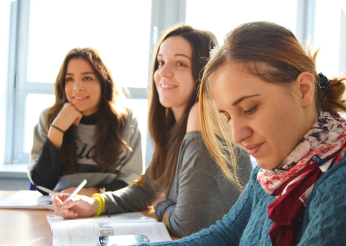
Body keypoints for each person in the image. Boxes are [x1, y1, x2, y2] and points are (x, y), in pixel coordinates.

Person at [134, 21, 346, 245]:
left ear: (303, 89)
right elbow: (226, 234)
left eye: (249, 109)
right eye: (227, 116)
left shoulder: (337, 185)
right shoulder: (271, 173)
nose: (237, 136)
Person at [52, 24, 253, 238]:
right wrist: (95, 204)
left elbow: (188, 225)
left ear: (203, 73)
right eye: (161, 62)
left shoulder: (203, 113)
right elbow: (147, 189)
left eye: (180, 63)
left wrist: (161, 206)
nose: (163, 73)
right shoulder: (174, 128)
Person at [28, 47, 143, 197]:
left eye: (87, 78)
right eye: (69, 79)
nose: (77, 88)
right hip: (57, 208)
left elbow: (132, 181)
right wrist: (56, 130)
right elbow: (43, 186)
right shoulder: (48, 118)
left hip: (109, 207)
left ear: (104, 83)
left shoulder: (126, 120)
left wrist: (91, 193)